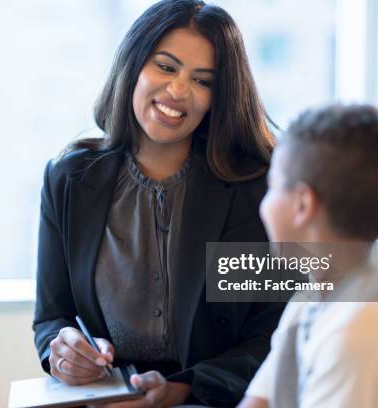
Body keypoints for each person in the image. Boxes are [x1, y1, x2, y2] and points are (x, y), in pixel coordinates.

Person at [33, 0, 284, 406]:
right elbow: (51, 317)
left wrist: (184, 388)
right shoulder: (69, 179)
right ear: (133, 65)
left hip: (216, 398)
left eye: (203, 80)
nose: (179, 90)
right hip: (112, 398)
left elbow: (274, 331)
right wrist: (60, 352)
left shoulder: (256, 187)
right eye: (166, 67)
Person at [238, 104, 378, 408]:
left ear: (302, 204)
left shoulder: (363, 325)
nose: (264, 202)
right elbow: (260, 401)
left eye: (272, 186)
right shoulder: (315, 294)